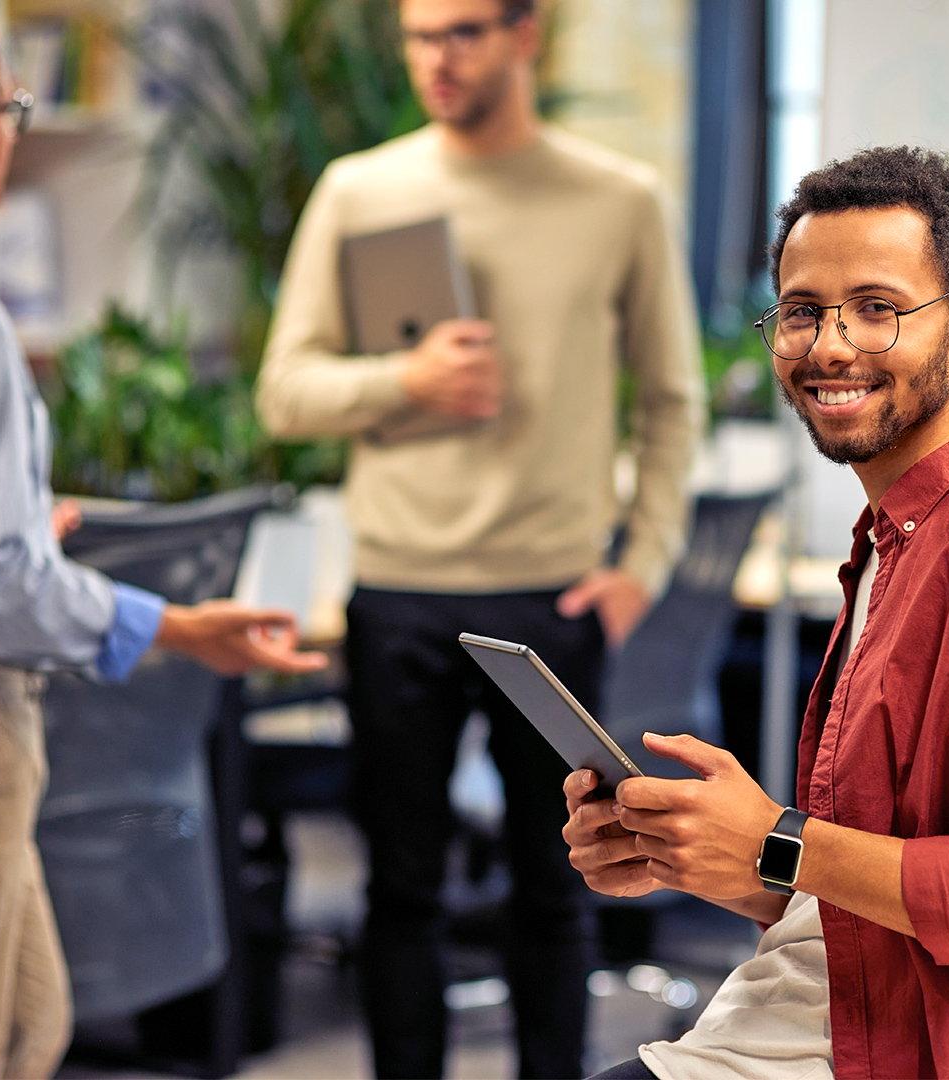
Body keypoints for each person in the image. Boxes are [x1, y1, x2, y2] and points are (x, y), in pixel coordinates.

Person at [563, 145, 949, 1079]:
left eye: (878, 310)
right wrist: (704, 854)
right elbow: (853, 901)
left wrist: (781, 838)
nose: (831, 345)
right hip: (803, 1027)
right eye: (803, 312)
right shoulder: (893, 544)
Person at [0, 7, 327, 1078]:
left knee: (24, 1027)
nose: (16, 130)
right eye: (10, 110)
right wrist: (172, 622)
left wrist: (5, 511)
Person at [254, 0, 702, 1073]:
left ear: (523, 34)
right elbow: (284, 393)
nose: (433, 59)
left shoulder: (618, 199)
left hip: (550, 597)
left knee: (559, 888)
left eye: (460, 32)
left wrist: (640, 568)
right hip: (398, 593)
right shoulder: (361, 191)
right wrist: (407, 380)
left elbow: (673, 402)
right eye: (418, 35)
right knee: (400, 891)